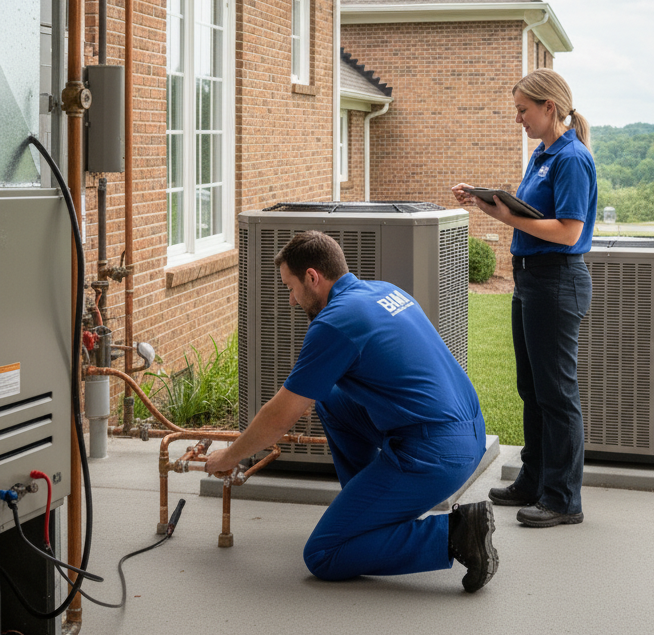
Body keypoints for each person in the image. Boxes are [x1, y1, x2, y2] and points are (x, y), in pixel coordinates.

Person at [204, 230, 498, 592]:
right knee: (327, 398)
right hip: (466, 431)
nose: (292, 301)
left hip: (435, 452)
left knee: (324, 553)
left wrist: (229, 457)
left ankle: (454, 532)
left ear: (313, 277)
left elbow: (279, 417)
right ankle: (366, 507)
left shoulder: (335, 322)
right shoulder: (385, 291)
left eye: (290, 287)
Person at [452, 69, 597, 528]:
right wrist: (491, 204)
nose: (519, 118)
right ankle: (533, 481)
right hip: (531, 281)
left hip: (557, 281)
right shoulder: (544, 153)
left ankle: (562, 499)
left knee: (556, 394)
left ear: (549, 107)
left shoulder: (572, 158)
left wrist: (507, 219)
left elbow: (569, 231)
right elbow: (534, 214)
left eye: (523, 110)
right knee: (532, 390)